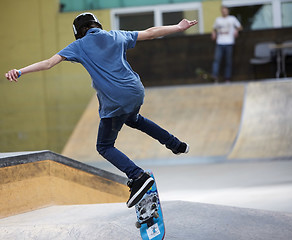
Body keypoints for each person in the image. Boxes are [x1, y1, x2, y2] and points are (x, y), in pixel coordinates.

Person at [5, 13, 197, 208]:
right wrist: (178, 27)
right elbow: (150, 33)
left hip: (115, 100)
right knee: (134, 119)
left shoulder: (78, 46)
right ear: (97, 24)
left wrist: (19, 71)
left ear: (77, 33)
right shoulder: (116, 35)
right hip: (136, 91)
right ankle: (176, 145)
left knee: (104, 146)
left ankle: (137, 176)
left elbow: (47, 64)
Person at [211, 6, 242, 82]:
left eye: (225, 10)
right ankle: (214, 77)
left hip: (229, 42)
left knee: (228, 61)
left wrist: (236, 30)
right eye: (223, 11)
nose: (224, 12)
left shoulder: (232, 19)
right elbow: (214, 28)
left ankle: (227, 78)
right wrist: (213, 33)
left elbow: (240, 27)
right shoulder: (218, 20)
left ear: (227, 11)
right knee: (217, 60)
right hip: (220, 42)